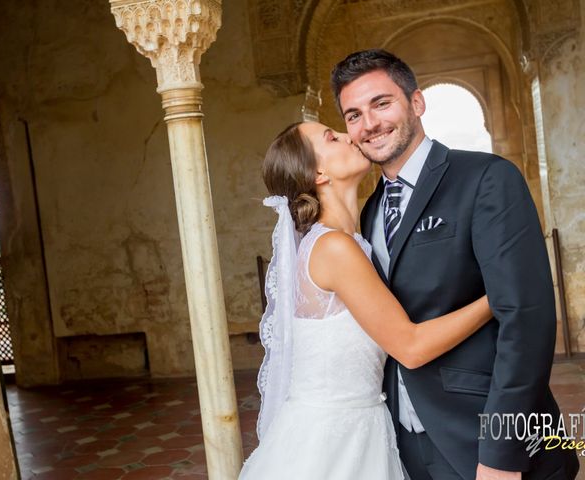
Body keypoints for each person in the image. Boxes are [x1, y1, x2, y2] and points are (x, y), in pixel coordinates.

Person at [330, 49, 580, 480]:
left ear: (417, 102)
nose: (368, 124)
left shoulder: (486, 178)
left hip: (483, 438)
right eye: (353, 115)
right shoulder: (368, 214)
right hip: (405, 443)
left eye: (381, 103)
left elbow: (526, 319)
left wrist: (502, 455)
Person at [238, 121, 493, 479]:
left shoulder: (354, 236)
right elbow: (410, 345)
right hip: (332, 442)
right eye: (332, 137)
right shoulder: (334, 248)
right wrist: (495, 299)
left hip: (363, 425)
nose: (349, 136)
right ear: (318, 172)